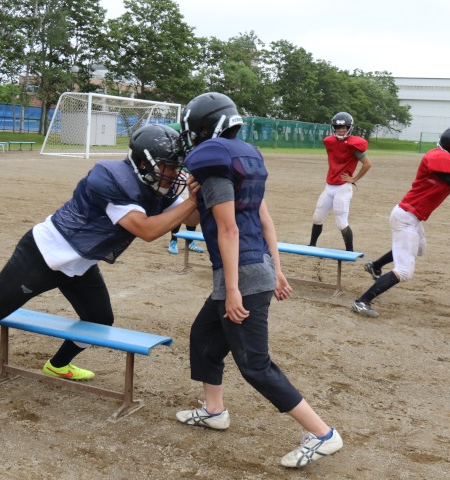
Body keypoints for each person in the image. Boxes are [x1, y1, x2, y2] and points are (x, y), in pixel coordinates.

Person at [0, 124, 199, 383]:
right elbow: (147, 231)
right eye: (168, 166)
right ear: (143, 162)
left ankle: (58, 364)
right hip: (44, 255)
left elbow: (192, 220)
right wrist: (191, 202)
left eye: (176, 167)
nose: (173, 174)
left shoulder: (154, 184)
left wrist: (202, 196)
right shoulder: (113, 177)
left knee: (99, 319)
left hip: (79, 263)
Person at [174, 92, 342, 468]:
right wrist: (277, 269)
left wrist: (233, 290)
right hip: (253, 269)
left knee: (254, 364)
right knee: (204, 338)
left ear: (205, 127)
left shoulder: (216, 167)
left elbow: (229, 229)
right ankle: (214, 411)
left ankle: (322, 434)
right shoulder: (242, 159)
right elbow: (262, 220)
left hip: (243, 276)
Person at [351, 126, 450, 318]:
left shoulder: (443, 156)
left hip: (412, 216)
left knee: (418, 249)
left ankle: (375, 266)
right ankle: (362, 301)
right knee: (405, 271)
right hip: (406, 217)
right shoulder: (439, 158)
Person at [308, 112, 372, 251]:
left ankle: (349, 251)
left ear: (350, 127)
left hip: (343, 187)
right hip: (329, 186)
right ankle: (312, 245)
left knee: (341, 222)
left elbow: (367, 164)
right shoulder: (330, 142)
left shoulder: (353, 145)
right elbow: (333, 157)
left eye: (344, 127)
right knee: (317, 217)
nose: (341, 130)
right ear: (333, 128)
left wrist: (354, 178)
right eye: (338, 127)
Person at [165, 123, 205, 255]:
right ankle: (173, 240)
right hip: (181, 172)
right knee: (181, 206)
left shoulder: (203, 134)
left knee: (194, 208)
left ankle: (190, 241)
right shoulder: (179, 129)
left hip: (196, 173)